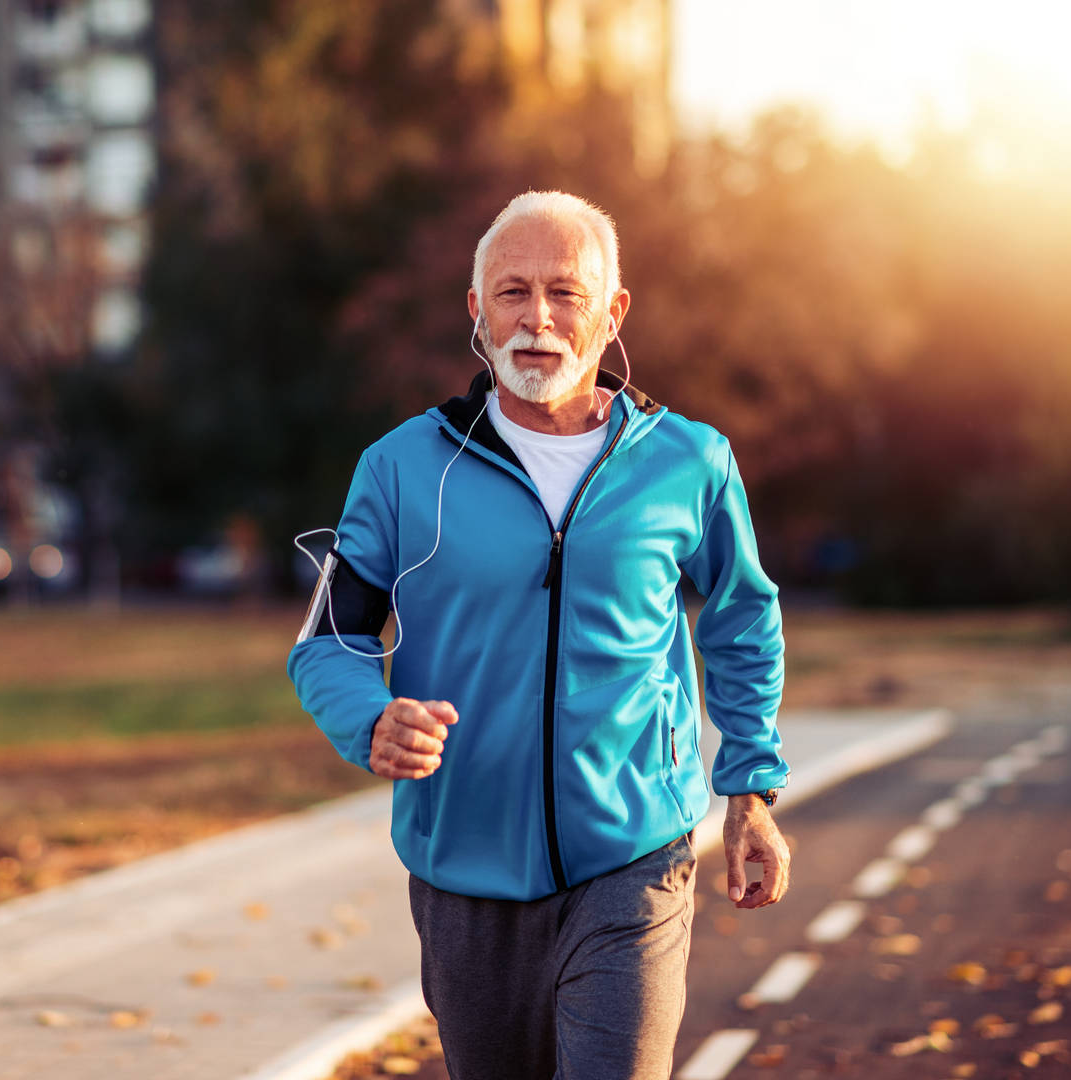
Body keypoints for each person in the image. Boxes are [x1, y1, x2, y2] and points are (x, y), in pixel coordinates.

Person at [287, 190, 789, 1080]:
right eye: (513, 292)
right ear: (478, 314)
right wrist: (367, 719)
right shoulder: (402, 469)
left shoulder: (690, 462)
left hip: (633, 856)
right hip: (463, 871)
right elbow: (330, 638)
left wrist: (750, 788)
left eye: (566, 291)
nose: (540, 318)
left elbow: (743, 618)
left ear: (612, 312)